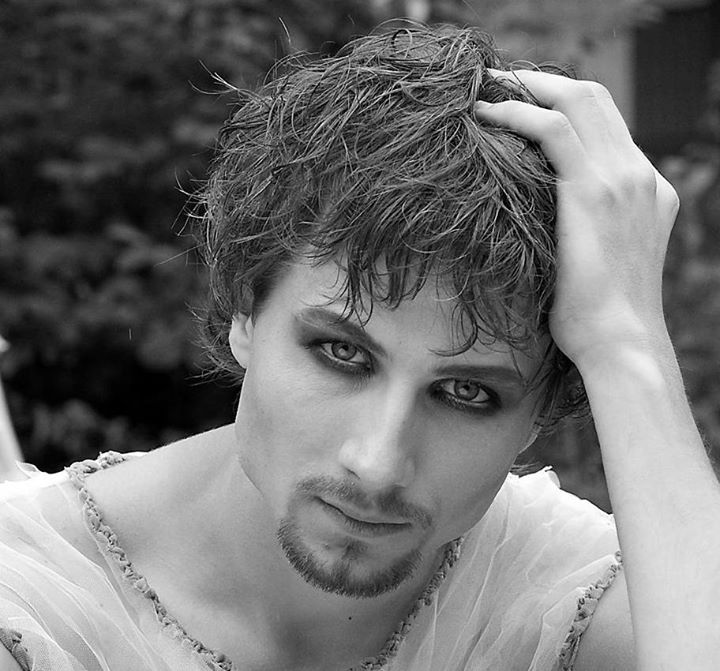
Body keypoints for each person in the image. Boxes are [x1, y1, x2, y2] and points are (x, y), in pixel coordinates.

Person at [1, 23, 718, 671]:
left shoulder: (557, 594)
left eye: (466, 392)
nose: (376, 463)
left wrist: (626, 344)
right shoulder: (29, 598)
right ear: (246, 311)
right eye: (342, 354)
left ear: (540, 413)